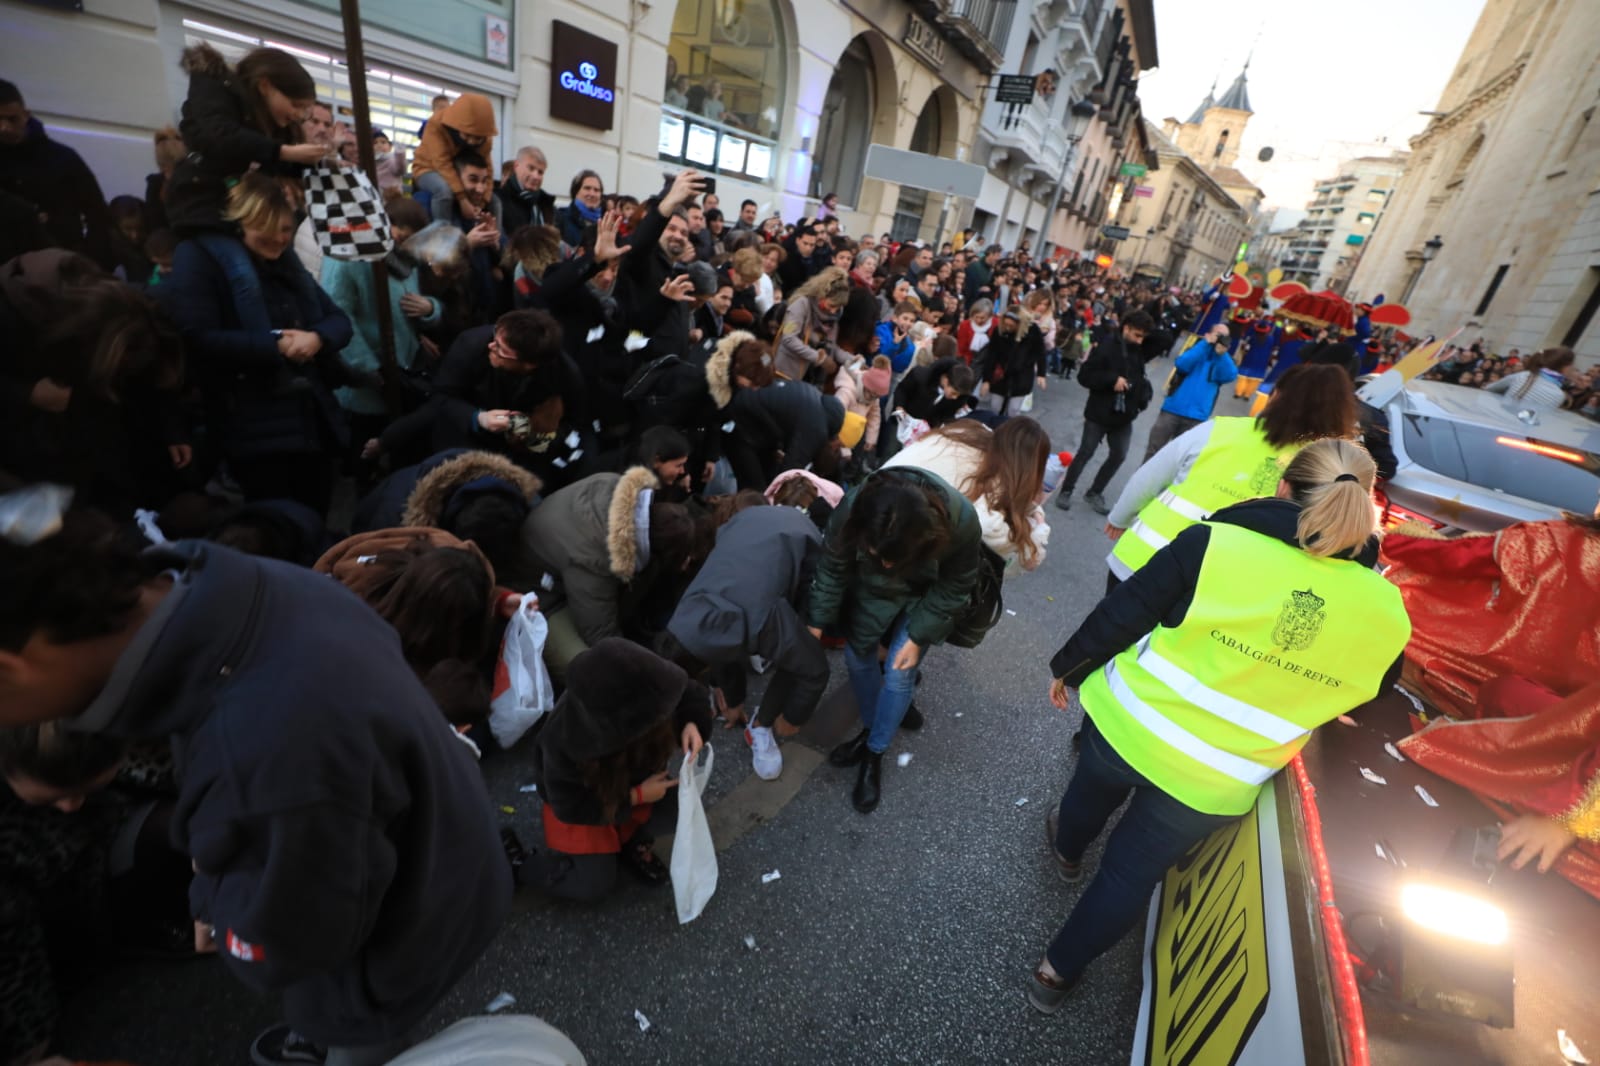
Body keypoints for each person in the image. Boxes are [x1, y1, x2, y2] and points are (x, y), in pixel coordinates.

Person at [0, 499, 512, 1065]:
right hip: (436, 835)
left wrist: (213, 900)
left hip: (405, 928)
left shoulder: (265, 756)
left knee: (358, 1041)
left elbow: (284, 948)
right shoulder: (240, 589)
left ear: (11, 667)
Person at [1029, 439, 1411, 1013]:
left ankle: (1066, 851)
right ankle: (1054, 976)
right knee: (1129, 878)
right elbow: (1375, 689)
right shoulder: (1385, 608)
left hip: (1131, 723)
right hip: (1221, 775)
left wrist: (1071, 669)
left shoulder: (1217, 542)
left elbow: (1125, 612)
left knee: (1087, 797)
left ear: (1284, 488)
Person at [1383, 511, 1600, 895]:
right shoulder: (1552, 541)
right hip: (1570, 731)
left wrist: (1565, 819)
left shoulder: (1552, 541)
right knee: (1508, 696)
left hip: (1580, 783)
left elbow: (1456, 556)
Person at [162, 173, 353, 514]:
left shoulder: (286, 269)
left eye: (285, 229)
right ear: (244, 222)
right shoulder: (204, 261)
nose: (280, 239)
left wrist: (316, 338)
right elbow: (194, 337)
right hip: (250, 427)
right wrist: (274, 346)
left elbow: (338, 320)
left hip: (308, 421)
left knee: (315, 516)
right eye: (269, 228)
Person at [809, 468, 981, 812]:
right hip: (872, 591)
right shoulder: (856, 508)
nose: (886, 561)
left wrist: (918, 637)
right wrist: (815, 623)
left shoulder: (960, 521)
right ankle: (873, 728)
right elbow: (832, 566)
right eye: (878, 553)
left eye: (894, 557)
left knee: (900, 670)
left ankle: (874, 751)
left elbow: (956, 587)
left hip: (925, 596)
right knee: (858, 657)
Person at [1105, 363, 1357, 586]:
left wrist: (1120, 517)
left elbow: (1150, 476)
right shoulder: (1325, 470)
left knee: (1102, 638)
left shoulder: (1221, 429)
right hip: (1212, 589)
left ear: (1277, 396)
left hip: (1142, 558)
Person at [522, 638, 710, 900]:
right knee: (595, 884)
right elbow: (571, 806)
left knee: (677, 809)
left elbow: (687, 692)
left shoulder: (646, 680)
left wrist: (691, 722)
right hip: (592, 802)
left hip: (630, 784)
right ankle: (526, 867)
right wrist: (637, 797)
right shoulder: (565, 741)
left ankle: (630, 844)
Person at [663, 504, 828, 780]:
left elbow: (816, 671)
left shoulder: (766, 622)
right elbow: (717, 645)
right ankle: (729, 698)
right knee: (728, 641)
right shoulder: (689, 613)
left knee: (802, 652)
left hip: (806, 543)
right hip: (751, 520)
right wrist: (734, 698)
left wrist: (793, 718)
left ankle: (760, 725)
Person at [510, 466, 699, 679]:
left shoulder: (616, 484)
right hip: (534, 592)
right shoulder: (598, 558)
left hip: (553, 562)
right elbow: (599, 633)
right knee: (590, 669)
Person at [319, 197, 440, 445]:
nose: (402, 243)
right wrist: (368, 367)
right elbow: (339, 313)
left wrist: (429, 310)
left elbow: (409, 304)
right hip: (366, 385)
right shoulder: (348, 255)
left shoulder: (406, 260)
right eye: (400, 235)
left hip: (403, 375)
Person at [885, 417, 1051, 572]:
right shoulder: (992, 473)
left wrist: (1033, 509)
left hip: (878, 489)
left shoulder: (972, 432)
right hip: (887, 524)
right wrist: (1036, 537)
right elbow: (987, 529)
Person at [0, 80, 114, 269]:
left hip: (62, 267)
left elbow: (97, 213)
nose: (4, 127)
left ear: (25, 115)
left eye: (12, 119)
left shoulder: (62, 158)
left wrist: (91, 263)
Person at [1055, 310, 1153, 515]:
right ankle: (1066, 490)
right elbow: (1085, 376)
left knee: (1119, 455)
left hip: (1124, 416)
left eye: (1143, 336)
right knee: (1085, 452)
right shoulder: (1107, 346)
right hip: (1099, 413)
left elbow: (1163, 341)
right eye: (1137, 334)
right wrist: (1111, 380)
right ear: (1126, 328)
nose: (1140, 340)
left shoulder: (1137, 350)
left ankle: (1094, 492)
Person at [1144, 322, 1235, 461]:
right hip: (1173, 409)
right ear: (1208, 334)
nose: (1220, 338)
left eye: (1224, 336)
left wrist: (1222, 355)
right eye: (1218, 334)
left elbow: (1230, 376)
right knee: (1153, 452)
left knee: (1177, 460)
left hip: (1197, 417)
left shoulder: (1222, 360)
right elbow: (1182, 364)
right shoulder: (1197, 348)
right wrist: (1205, 344)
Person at [411, 92, 498, 224]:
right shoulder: (436, 124)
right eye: (468, 135)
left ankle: (495, 239)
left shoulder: (485, 136)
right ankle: (443, 233)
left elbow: (487, 168)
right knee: (443, 192)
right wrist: (462, 198)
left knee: (495, 201)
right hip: (427, 169)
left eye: (478, 138)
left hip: (460, 173)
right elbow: (442, 163)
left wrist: (483, 201)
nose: (472, 142)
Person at [775, 267, 847, 383]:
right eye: (831, 305)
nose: (833, 311)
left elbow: (831, 346)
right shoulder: (800, 305)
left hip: (808, 375)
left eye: (838, 308)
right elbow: (788, 338)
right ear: (822, 296)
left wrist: (852, 360)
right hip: (784, 372)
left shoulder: (832, 319)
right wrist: (819, 357)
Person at [975, 306, 1047, 418]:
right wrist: (987, 380)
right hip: (1000, 375)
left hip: (1022, 375)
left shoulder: (1032, 330)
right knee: (995, 407)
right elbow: (991, 356)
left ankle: (1010, 432)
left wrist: (1041, 374)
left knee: (1013, 410)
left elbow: (1040, 352)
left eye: (1011, 326)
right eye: (1006, 324)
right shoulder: (999, 331)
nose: (1007, 328)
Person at [1485, 346, 1578, 410]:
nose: (1573, 369)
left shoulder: (1524, 375)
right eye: (1571, 365)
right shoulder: (1559, 395)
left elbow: (1489, 389)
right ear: (1564, 367)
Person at [556, 170, 604, 247]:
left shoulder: (605, 223)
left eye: (596, 190)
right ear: (576, 192)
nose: (592, 194)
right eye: (587, 188)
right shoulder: (560, 218)